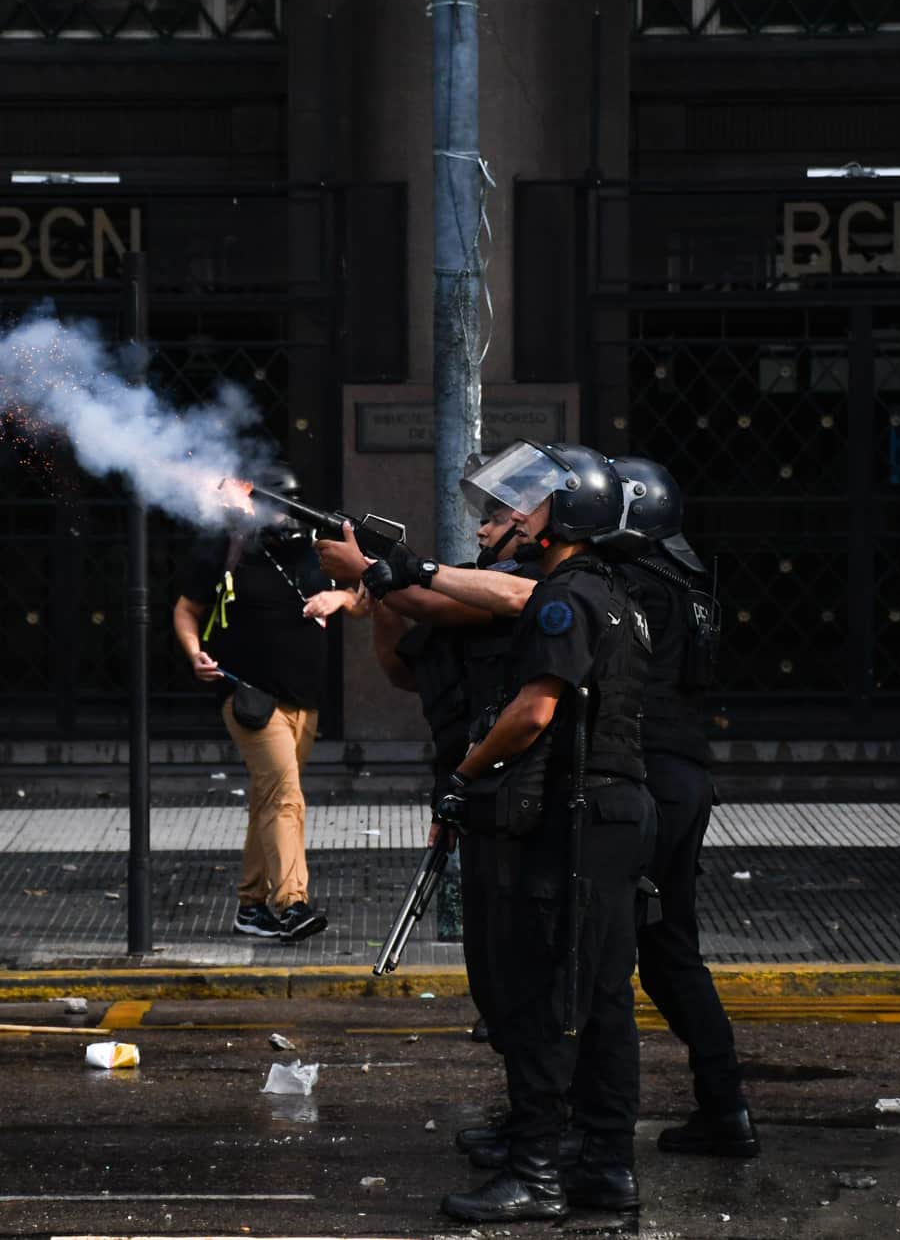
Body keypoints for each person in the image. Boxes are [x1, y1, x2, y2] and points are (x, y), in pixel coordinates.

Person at [419, 441, 653, 1223]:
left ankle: (537, 1175)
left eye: (530, 503)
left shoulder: (564, 599)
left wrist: (464, 774)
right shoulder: (608, 591)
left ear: (570, 516)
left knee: (546, 994)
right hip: (615, 810)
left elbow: (534, 710)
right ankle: (606, 1166)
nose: (511, 515)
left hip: (576, 817)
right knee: (602, 997)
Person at [318, 484, 539, 1054]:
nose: (481, 531)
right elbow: (404, 668)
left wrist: (372, 570)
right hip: (470, 778)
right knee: (486, 941)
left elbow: (438, 601)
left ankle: (542, 1111)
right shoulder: (469, 577)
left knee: (520, 944)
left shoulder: (525, 583)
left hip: (520, 786)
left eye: (493, 520)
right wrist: (383, 594)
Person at [598, 456, 757, 1158]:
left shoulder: (632, 581)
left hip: (647, 775)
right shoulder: (686, 581)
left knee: (604, 945)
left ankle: (584, 1128)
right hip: (686, 775)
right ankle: (725, 1108)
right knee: (669, 951)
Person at [173, 469, 364, 943]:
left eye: (291, 504)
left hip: (303, 698)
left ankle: (251, 907)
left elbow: (365, 599)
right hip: (249, 697)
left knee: (268, 801)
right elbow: (186, 610)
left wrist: (338, 598)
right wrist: (193, 650)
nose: (283, 514)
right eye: (274, 504)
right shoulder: (228, 547)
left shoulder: (320, 548)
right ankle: (291, 904)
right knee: (285, 797)